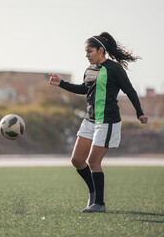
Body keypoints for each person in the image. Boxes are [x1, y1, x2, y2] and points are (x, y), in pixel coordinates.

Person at [49, 32, 148, 212]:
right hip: (89, 120)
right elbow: (83, 89)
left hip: (108, 121)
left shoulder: (114, 69)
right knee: (77, 160)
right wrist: (61, 83)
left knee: (93, 161)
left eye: (89, 51)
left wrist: (139, 113)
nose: (86, 54)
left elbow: (130, 91)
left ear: (101, 50)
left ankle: (99, 203)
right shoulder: (89, 70)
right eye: (86, 52)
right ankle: (93, 191)